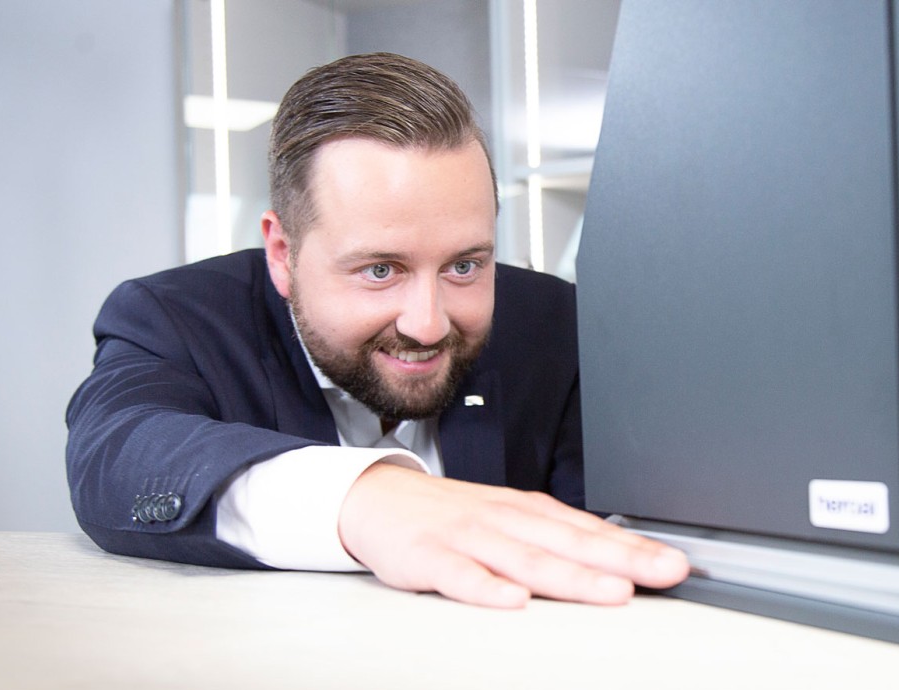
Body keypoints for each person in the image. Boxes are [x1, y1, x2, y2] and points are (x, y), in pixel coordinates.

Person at [66, 52, 689, 608]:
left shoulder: (553, 322)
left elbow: (622, 523)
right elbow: (116, 454)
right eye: (380, 270)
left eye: (464, 266)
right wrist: (364, 499)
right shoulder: (175, 317)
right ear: (282, 253)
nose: (428, 324)